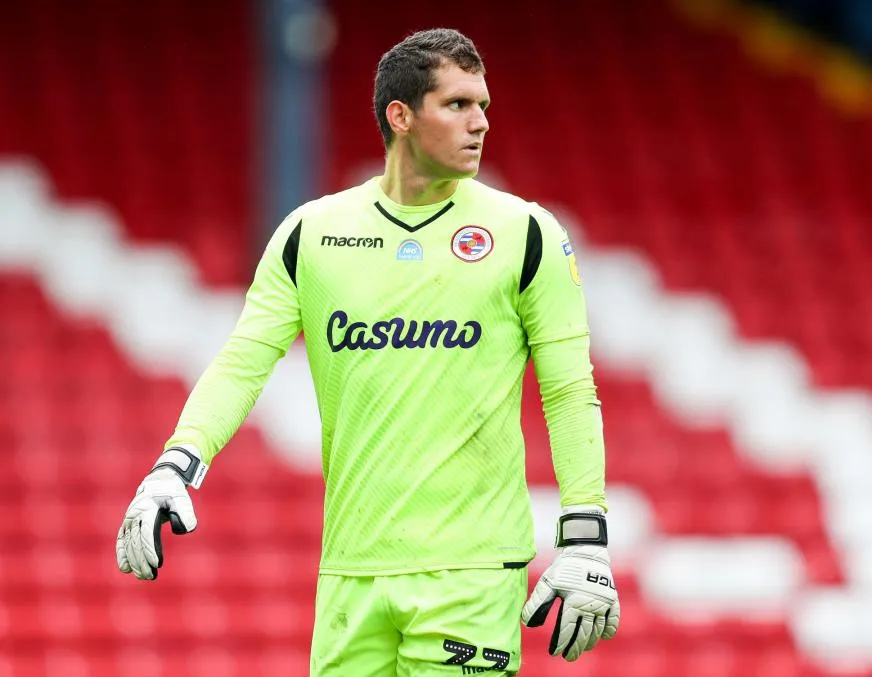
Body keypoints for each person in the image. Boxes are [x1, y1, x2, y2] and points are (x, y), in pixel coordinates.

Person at [116, 27, 620, 676]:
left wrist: (585, 536)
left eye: (484, 106)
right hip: (350, 574)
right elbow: (244, 360)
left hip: (470, 575)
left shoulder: (526, 233)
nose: (480, 122)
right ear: (401, 116)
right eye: (458, 105)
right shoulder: (311, 234)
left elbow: (570, 390)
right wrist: (175, 466)